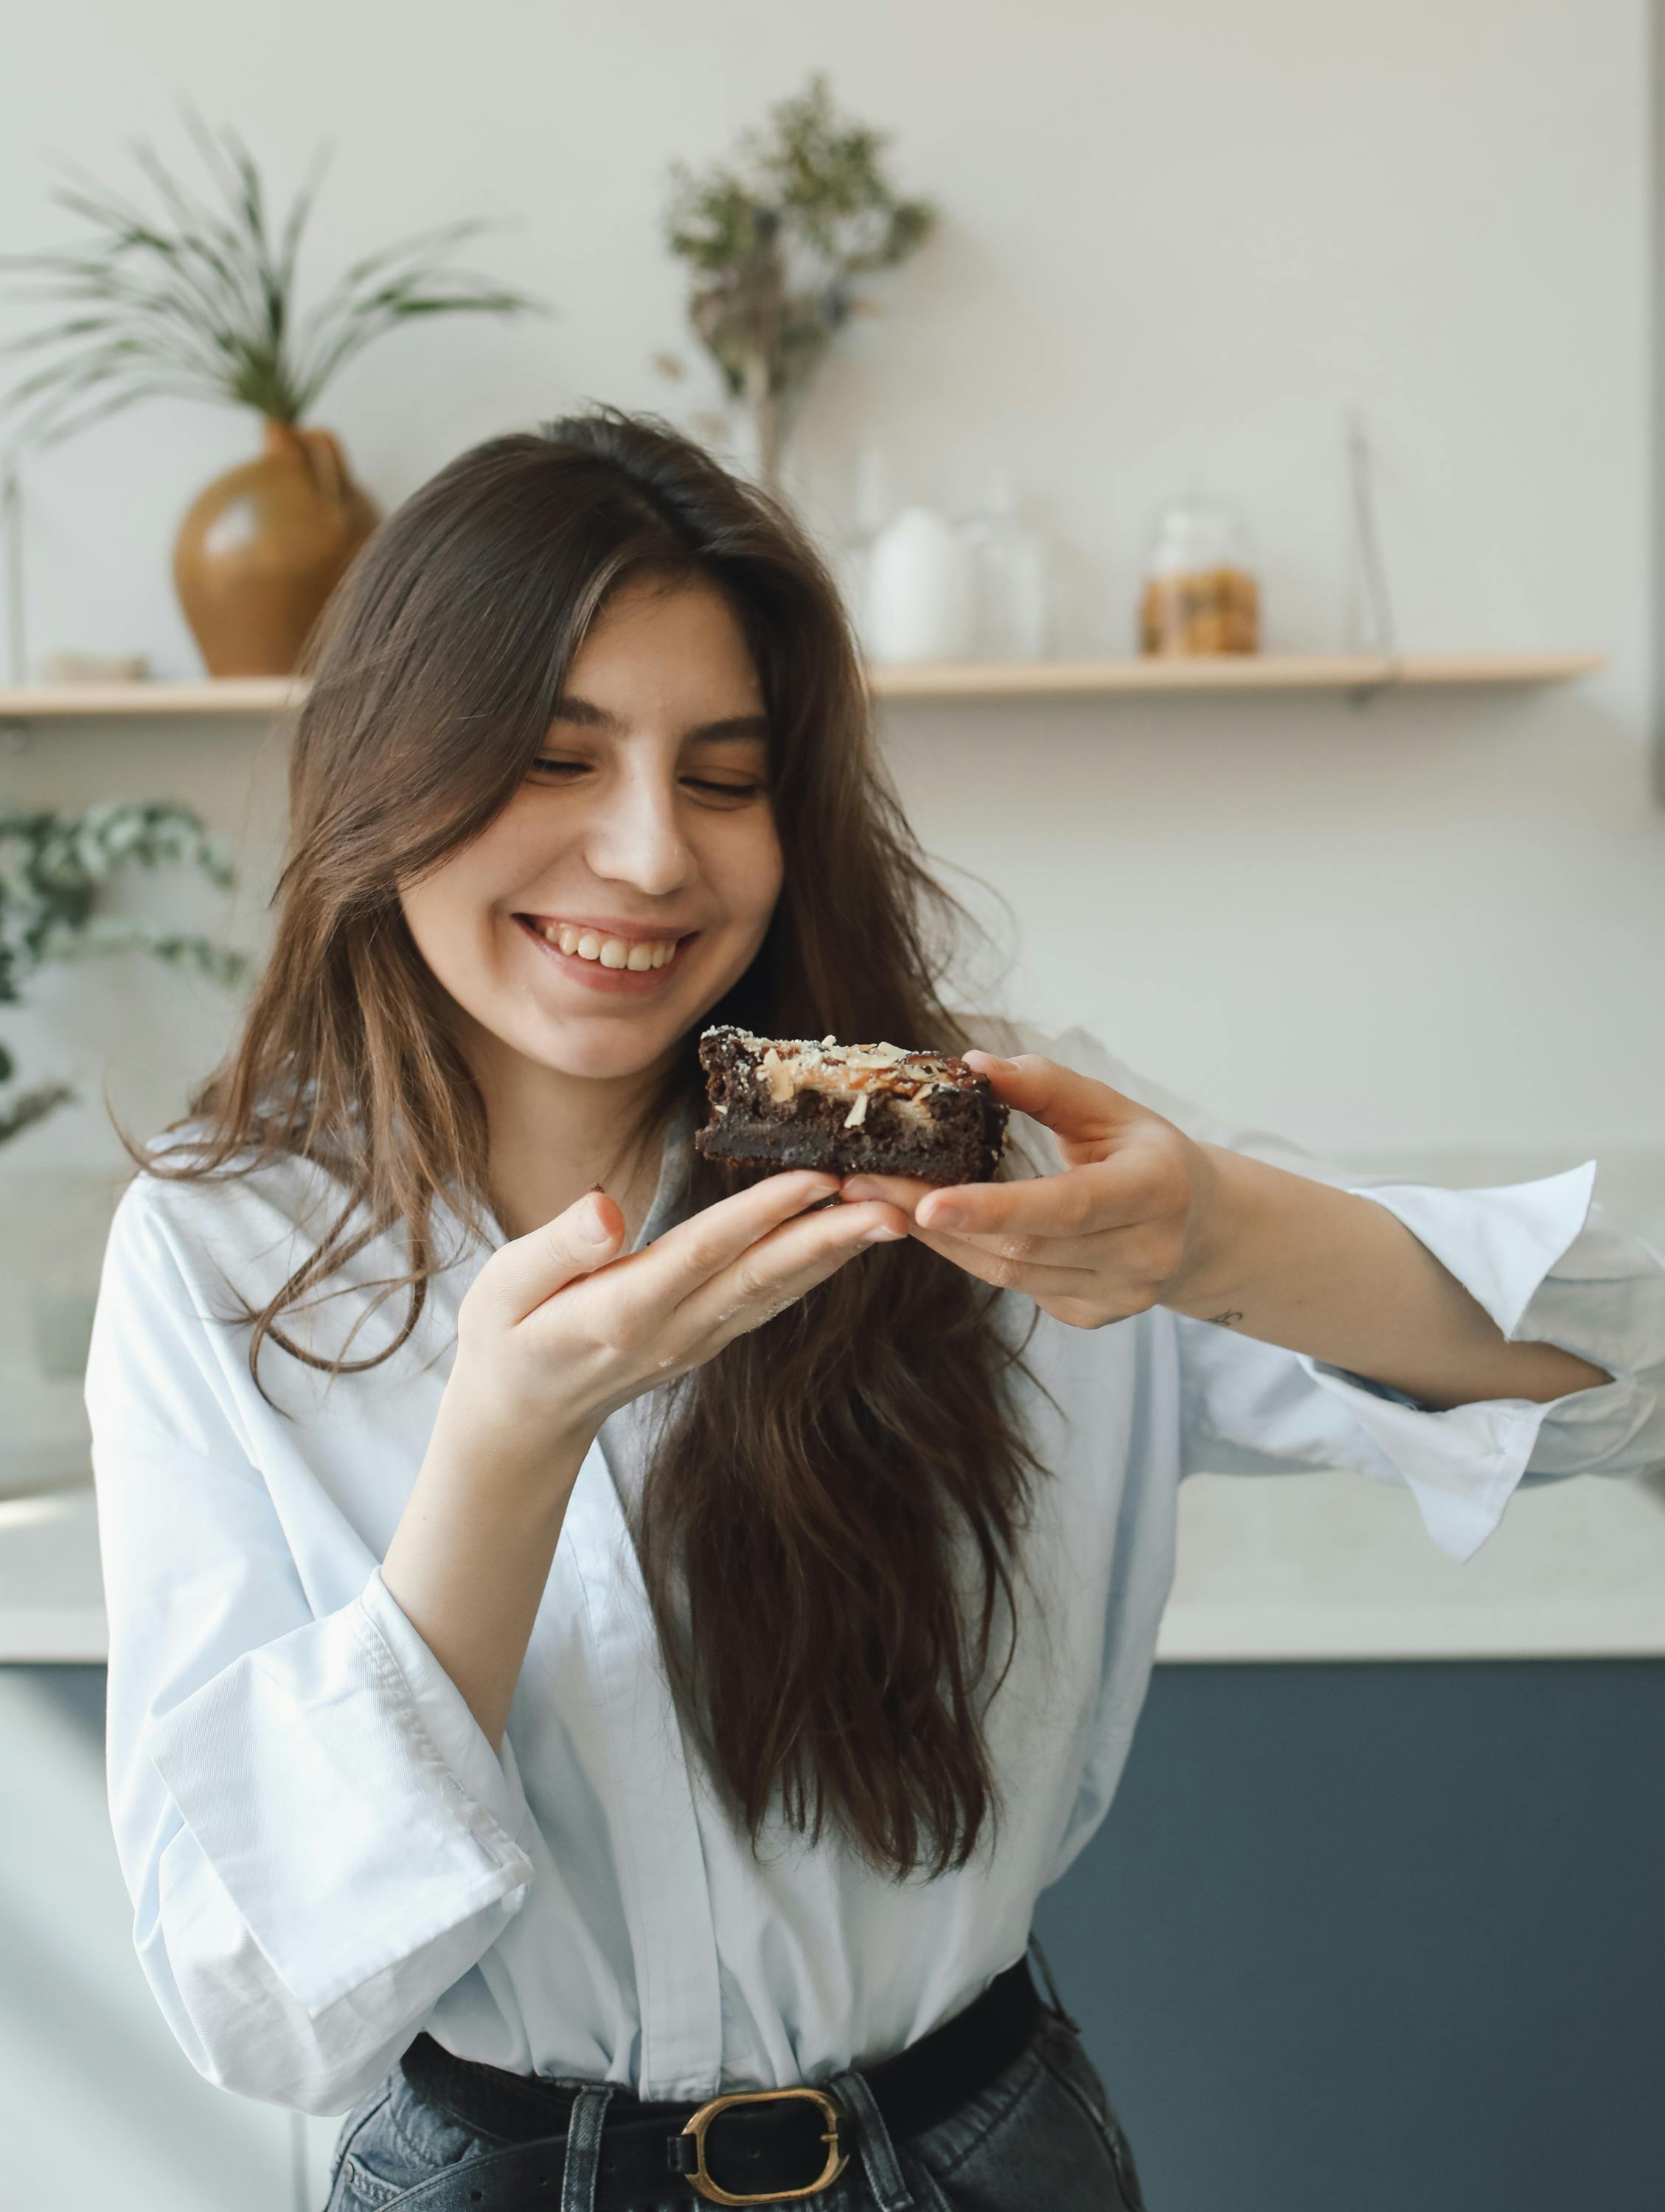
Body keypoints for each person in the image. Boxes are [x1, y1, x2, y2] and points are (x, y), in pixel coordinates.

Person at [86, 408, 1664, 2212]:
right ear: (390, 774)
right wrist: (505, 1450)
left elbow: (1629, 1371)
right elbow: (247, 2005)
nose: (649, 856)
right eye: (553, 756)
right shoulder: (222, 1255)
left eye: (725, 776)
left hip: (974, 2162)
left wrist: (1212, 1233)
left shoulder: (981, 1170)